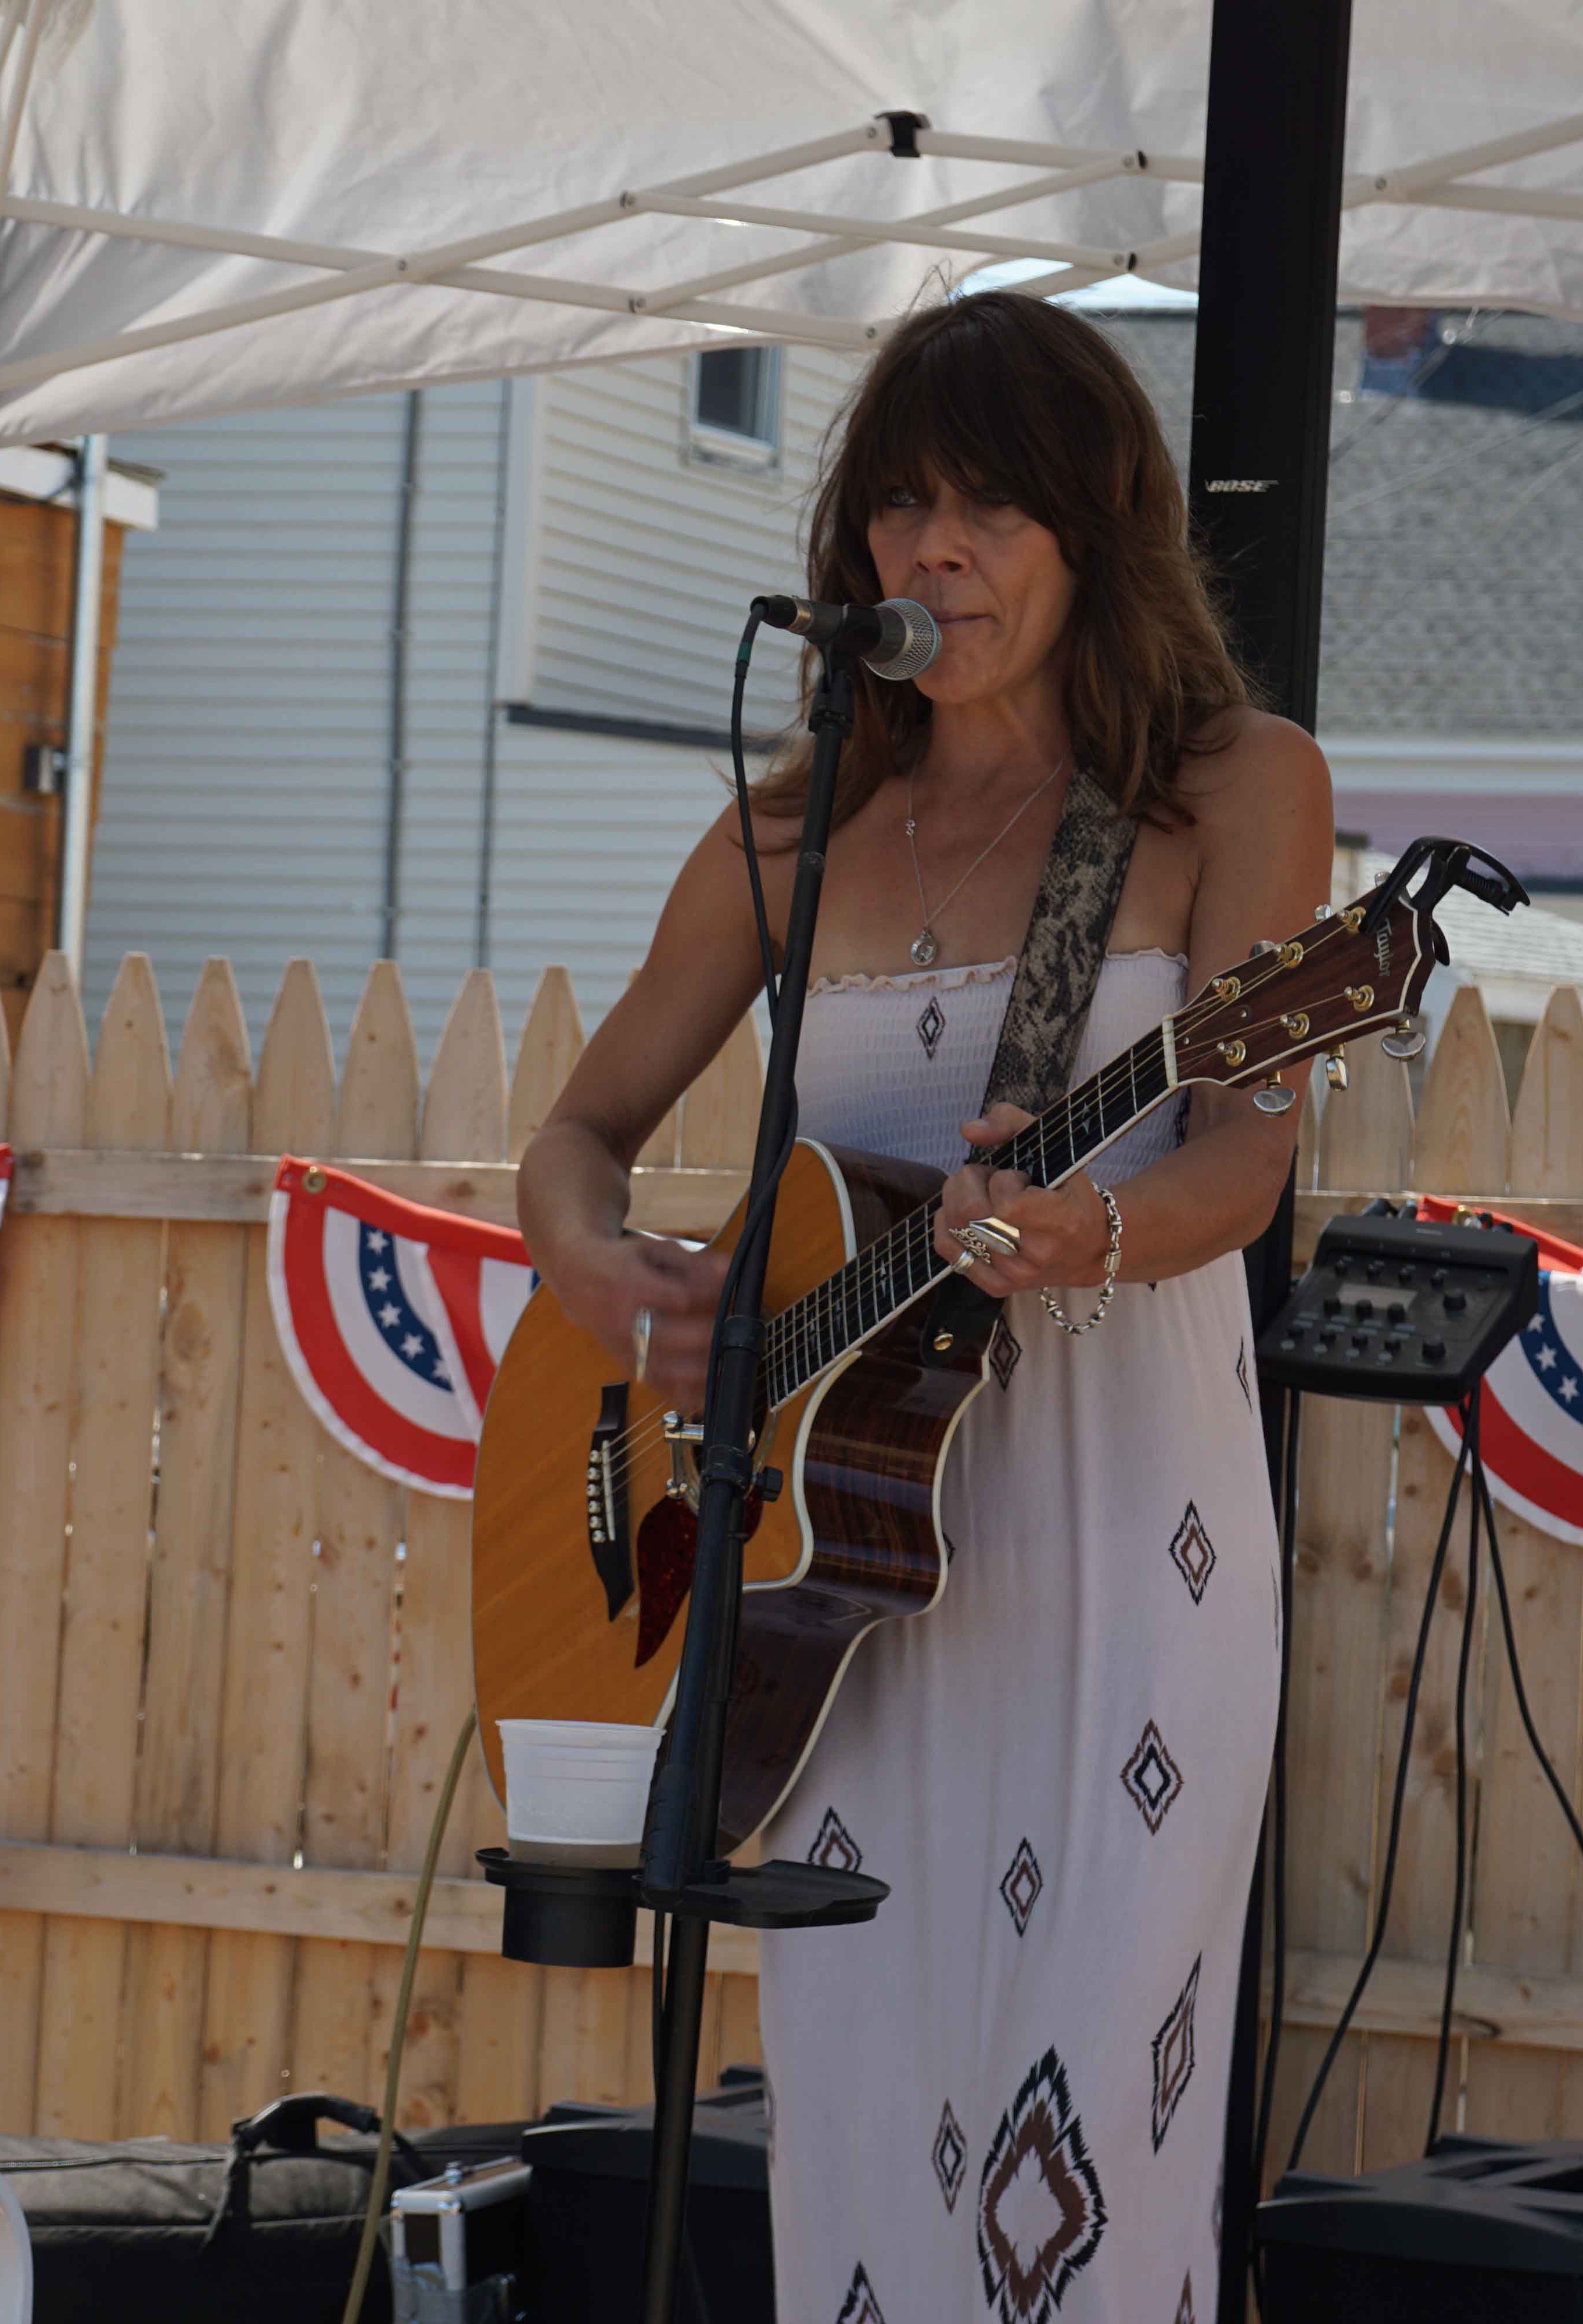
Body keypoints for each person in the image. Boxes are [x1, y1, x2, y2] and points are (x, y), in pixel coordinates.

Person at [514, 290, 1330, 2321]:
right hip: (834, 1585)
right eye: (898, 506)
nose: (933, 552)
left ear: (1096, 531)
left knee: (1085, 2156)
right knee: (871, 2140)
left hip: (1128, 1548)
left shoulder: (1234, 787)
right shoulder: (789, 836)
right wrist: (606, 1276)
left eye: (989, 509)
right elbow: (581, 1135)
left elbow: (1247, 1158)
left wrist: (1089, 1233)